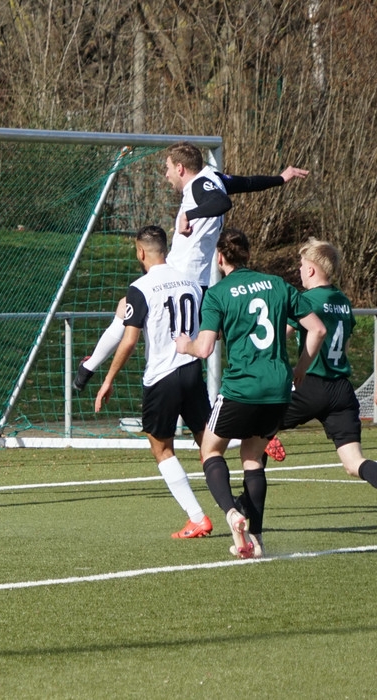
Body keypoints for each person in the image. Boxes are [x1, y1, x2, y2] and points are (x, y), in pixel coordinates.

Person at [74, 142, 309, 394]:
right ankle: (89, 368)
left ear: (180, 168)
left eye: (167, 168)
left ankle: (89, 369)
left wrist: (189, 214)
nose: (166, 174)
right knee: (181, 333)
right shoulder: (213, 179)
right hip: (195, 280)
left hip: (181, 277)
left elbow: (222, 202)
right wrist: (280, 179)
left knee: (140, 318)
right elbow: (247, 183)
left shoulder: (199, 185)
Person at [175, 228, 326, 559]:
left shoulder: (218, 293)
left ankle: (232, 513)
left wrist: (185, 345)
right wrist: (300, 369)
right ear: (247, 254)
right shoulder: (278, 284)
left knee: (210, 451)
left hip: (241, 388)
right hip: (278, 388)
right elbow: (317, 329)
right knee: (253, 459)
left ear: (220, 257)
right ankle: (256, 540)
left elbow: (204, 348)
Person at [94, 225, 214, 539]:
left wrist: (108, 379)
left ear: (141, 252)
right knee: (209, 446)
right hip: (192, 370)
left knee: (161, 448)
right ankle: (235, 507)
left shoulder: (140, 288)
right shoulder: (192, 282)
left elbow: (129, 340)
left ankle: (197, 517)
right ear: (165, 249)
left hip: (162, 377)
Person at [246, 238, 377, 494]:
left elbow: (278, 336)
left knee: (255, 428)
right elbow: (345, 346)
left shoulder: (306, 300)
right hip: (341, 389)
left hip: (310, 384)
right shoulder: (342, 300)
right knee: (354, 463)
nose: (299, 269)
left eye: (301, 264)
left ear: (311, 269)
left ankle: (249, 506)